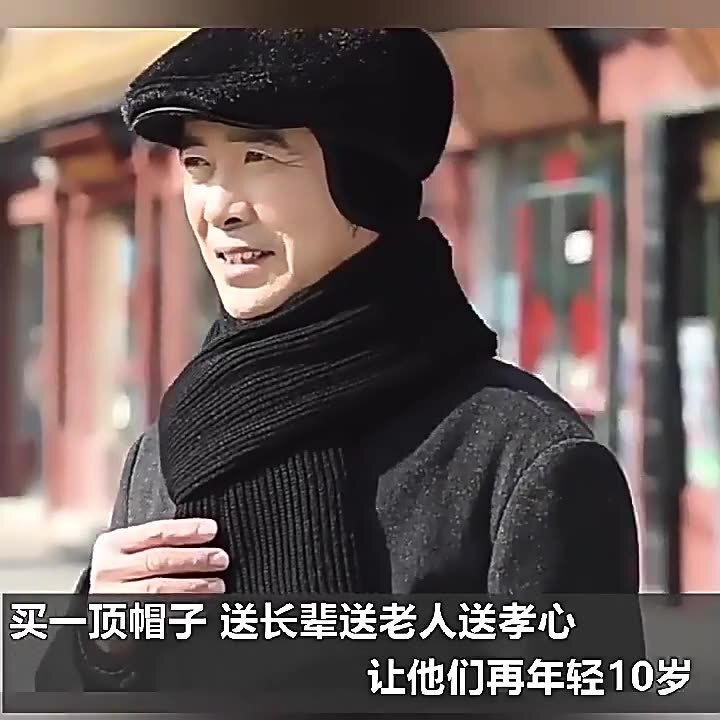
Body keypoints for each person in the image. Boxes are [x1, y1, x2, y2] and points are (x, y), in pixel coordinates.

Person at [36, 28, 642, 695]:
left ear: (366, 183)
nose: (219, 208)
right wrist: (102, 647)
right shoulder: (169, 447)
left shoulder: (522, 460)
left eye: (259, 157)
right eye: (199, 165)